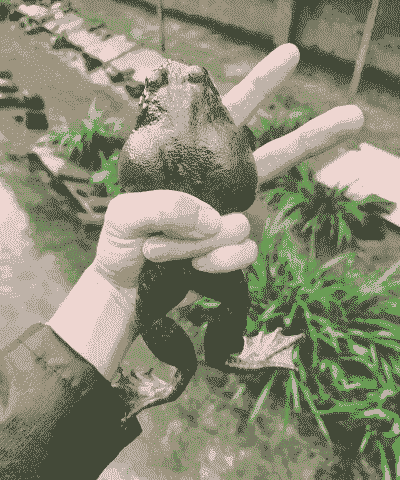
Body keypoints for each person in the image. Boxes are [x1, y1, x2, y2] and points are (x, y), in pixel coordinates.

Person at [0, 44, 365, 480]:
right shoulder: (152, 145)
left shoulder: (178, 140)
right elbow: (140, 174)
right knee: (191, 312)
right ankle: (175, 381)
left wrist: (108, 288)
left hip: (176, 261)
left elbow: (224, 185)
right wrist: (115, 288)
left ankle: (226, 356)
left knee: (232, 294)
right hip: (157, 267)